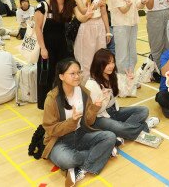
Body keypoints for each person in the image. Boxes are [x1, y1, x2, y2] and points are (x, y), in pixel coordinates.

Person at [42, 58, 116, 187]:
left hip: (81, 134)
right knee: (68, 160)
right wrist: (72, 121)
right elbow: (50, 128)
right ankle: (99, 154)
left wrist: (94, 108)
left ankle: (80, 169)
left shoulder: (83, 92)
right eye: (72, 73)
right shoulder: (52, 98)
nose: (77, 77)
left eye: (79, 72)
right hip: (59, 140)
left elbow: (89, 121)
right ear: (61, 76)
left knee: (110, 137)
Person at [35, 0, 93, 110]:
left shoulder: (70, 5)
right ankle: (46, 106)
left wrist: (87, 15)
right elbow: (37, 28)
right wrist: (43, 48)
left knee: (65, 76)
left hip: (63, 47)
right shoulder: (43, 5)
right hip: (47, 47)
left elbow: (80, 17)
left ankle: (62, 102)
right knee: (47, 77)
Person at [86, 48, 159, 140]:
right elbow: (94, 112)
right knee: (120, 128)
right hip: (100, 117)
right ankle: (144, 127)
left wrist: (129, 81)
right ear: (99, 64)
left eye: (112, 62)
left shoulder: (113, 76)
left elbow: (124, 93)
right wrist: (104, 98)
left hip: (114, 111)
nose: (111, 66)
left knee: (143, 110)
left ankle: (122, 131)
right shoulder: (92, 84)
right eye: (107, 63)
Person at [73, 0, 111, 84]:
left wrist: (108, 31)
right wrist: (95, 4)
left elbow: (104, 13)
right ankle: (85, 90)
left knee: (101, 59)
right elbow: (83, 10)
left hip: (99, 26)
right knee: (85, 60)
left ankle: (99, 87)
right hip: (86, 26)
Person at [107, 0, 145, 76]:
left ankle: (130, 76)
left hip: (133, 24)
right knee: (122, 54)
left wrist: (143, 1)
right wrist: (128, 6)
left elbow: (139, 5)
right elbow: (123, 10)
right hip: (121, 25)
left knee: (132, 52)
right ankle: (121, 78)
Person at [143, 0, 169, 80]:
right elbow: (149, 7)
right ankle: (157, 71)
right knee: (156, 45)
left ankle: (166, 69)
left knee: (167, 44)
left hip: (167, 15)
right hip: (154, 16)